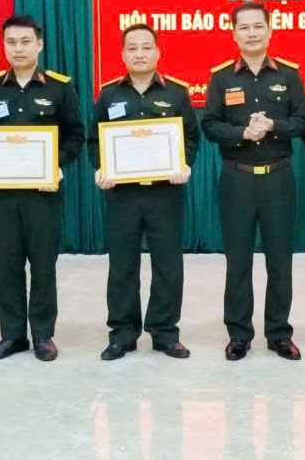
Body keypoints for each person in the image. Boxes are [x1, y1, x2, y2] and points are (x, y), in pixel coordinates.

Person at [200, 2, 305, 362]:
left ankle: (279, 333)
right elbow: (210, 125)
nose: (251, 33)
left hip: (278, 177)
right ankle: (239, 334)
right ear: (234, 33)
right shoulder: (221, 78)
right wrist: (242, 134)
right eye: (244, 27)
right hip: (238, 179)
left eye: (258, 26)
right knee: (238, 260)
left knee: (280, 259)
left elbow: (304, 121)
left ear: (270, 30)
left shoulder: (289, 75)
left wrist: (275, 126)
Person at [0, 15, 84, 362]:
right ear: (4, 46)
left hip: (43, 195)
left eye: (25, 42)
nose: (18, 49)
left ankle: (43, 335)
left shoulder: (58, 88)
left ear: (39, 45)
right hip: (3, 195)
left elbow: (76, 135)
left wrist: (55, 163)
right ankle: (12, 336)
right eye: (11, 42)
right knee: (7, 267)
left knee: (43, 266)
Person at [89, 23, 200, 360]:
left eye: (146, 47)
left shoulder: (176, 93)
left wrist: (184, 164)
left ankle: (165, 333)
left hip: (165, 194)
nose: (139, 53)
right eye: (132, 48)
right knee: (122, 265)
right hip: (122, 195)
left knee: (168, 264)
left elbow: (191, 137)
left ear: (158, 52)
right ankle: (122, 334)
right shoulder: (108, 95)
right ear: (123, 54)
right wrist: (101, 168)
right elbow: (95, 140)